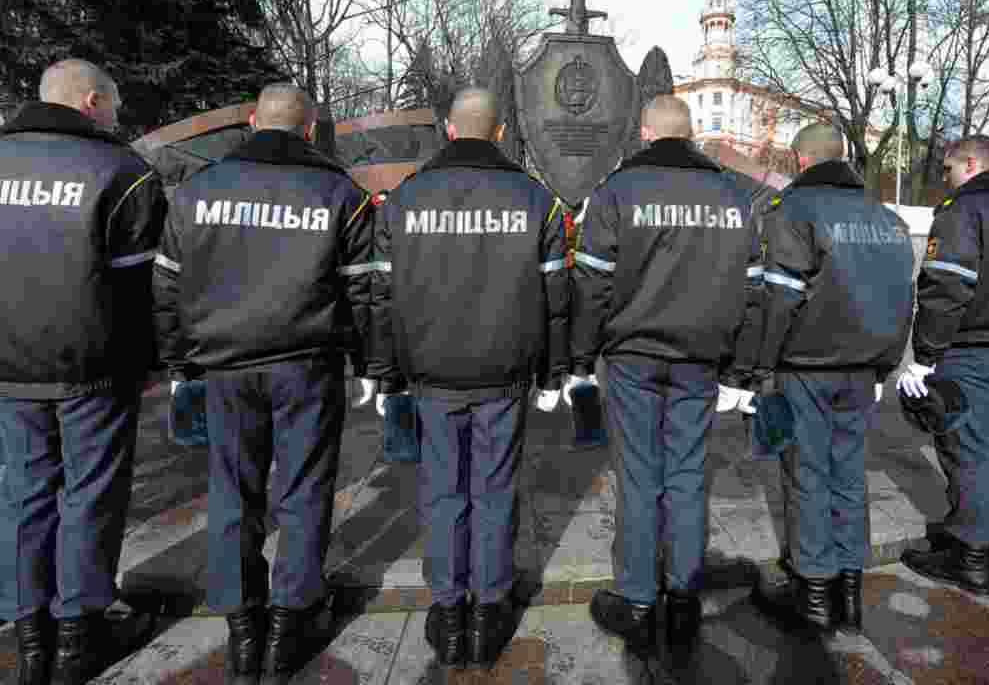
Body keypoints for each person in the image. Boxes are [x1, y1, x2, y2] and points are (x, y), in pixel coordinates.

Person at [152, 83, 374, 685]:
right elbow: (362, 293)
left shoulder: (199, 191)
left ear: (252, 122)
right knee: (302, 493)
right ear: (309, 130)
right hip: (306, 365)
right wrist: (367, 363)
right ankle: (290, 621)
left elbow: (167, 289)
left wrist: (181, 365)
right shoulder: (340, 195)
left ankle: (242, 627)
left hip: (225, 367)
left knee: (233, 494)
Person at [366, 87, 569, 671]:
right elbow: (557, 299)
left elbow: (381, 297)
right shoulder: (536, 201)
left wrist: (385, 373)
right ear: (499, 132)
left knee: (442, 491)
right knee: (494, 489)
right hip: (503, 375)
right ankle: (488, 611)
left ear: (450, 132)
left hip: (430, 374)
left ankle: (449, 609)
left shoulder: (403, 201)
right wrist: (554, 374)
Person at [570, 94, 764, 662]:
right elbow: (754, 290)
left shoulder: (617, 192)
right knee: (686, 474)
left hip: (632, 356)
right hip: (701, 359)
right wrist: (741, 369)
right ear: (692, 134)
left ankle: (636, 598)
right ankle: (682, 596)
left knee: (638, 476)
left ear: (647, 134)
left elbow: (593, 285)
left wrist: (581, 360)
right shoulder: (734, 196)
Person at [0, 59, 164, 685]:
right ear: (92, 101)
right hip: (93, 367)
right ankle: (80, 630)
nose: (117, 119)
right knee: (89, 494)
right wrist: (147, 365)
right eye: (114, 107)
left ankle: (29, 632)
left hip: (10, 365)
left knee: (23, 490)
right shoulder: (121, 172)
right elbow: (138, 289)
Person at [751, 123, 915, 635]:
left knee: (808, 476)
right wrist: (886, 365)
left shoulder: (794, 211)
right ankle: (849, 590)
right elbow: (902, 297)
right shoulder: (885, 218)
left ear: (800, 161)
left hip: (807, 367)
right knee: (848, 474)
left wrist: (760, 366)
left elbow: (780, 296)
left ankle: (814, 592)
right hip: (863, 369)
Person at [898, 135, 989, 595]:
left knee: (968, 451)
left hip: (970, 351)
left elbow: (945, 289)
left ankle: (970, 556)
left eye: (948, 168)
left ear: (970, 164)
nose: (944, 177)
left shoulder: (964, 211)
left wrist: (924, 357)